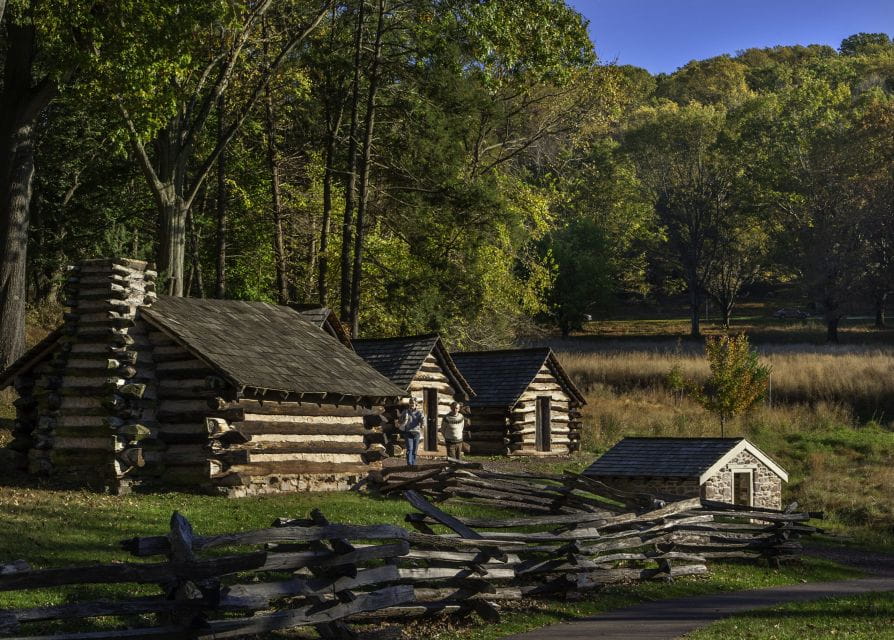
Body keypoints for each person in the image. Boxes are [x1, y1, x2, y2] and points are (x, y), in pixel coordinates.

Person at [398, 398, 424, 465]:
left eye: (413, 403)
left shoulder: (419, 412)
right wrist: (404, 419)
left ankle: (413, 464)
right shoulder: (405, 411)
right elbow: (399, 421)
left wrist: (422, 422)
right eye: (410, 403)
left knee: (415, 450)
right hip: (408, 432)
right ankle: (409, 464)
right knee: (410, 449)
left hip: (416, 433)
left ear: (416, 404)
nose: (411, 404)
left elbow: (422, 420)